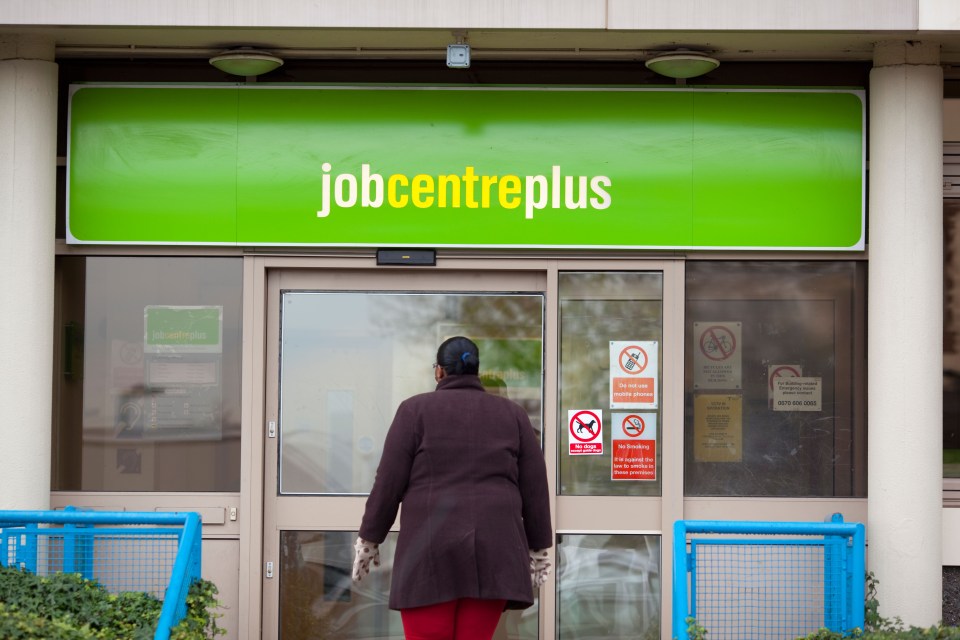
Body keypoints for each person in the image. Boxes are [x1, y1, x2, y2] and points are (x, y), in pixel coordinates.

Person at [352, 336, 552, 640]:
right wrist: (539, 548)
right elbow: (535, 487)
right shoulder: (514, 416)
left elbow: (388, 482)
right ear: (476, 371)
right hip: (494, 551)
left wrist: (369, 539)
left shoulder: (414, 411)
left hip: (429, 550)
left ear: (439, 372)